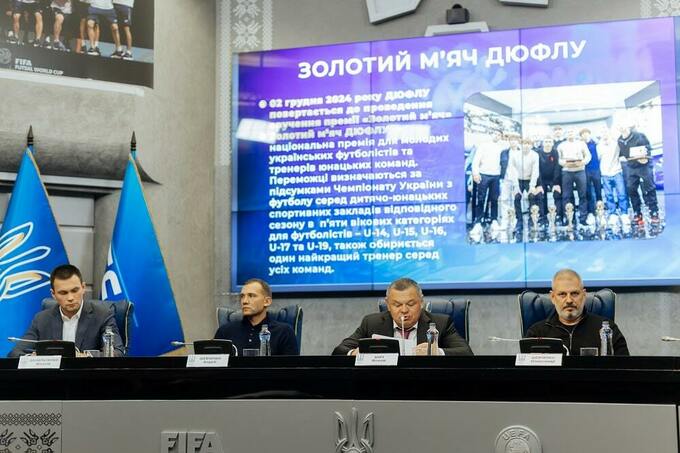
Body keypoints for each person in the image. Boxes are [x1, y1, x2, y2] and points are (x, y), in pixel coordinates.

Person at [332, 278, 473, 356]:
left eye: (411, 304)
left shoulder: (440, 323)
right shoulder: (372, 323)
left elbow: (466, 353)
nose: (404, 310)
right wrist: (354, 353)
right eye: (397, 305)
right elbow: (339, 351)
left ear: (421, 302)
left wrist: (437, 352)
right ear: (388, 304)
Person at [8, 264, 124, 357]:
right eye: (63, 293)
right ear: (53, 294)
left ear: (83, 288)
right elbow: (15, 353)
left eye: (75, 290)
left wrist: (85, 356)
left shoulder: (103, 315)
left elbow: (117, 353)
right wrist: (34, 358)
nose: (70, 298)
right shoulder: (42, 319)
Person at [525, 269, 629, 356]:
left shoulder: (607, 329)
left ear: (584, 295)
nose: (569, 300)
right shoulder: (536, 333)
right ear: (552, 297)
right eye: (562, 294)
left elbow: (625, 369)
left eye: (574, 293)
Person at [214, 278, 298, 355]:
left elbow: (292, 366)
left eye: (251, 296)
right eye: (242, 296)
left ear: (267, 301)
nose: (245, 301)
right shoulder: (225, 332)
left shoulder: (284, 332)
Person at [617, 124, 659, 225]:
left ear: (628, 127)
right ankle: (637, 212)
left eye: (624, 125)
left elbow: (648, 147)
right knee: (631, 189)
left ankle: (654, 212)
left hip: (644, 166)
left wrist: (645, 155)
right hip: (631, 167)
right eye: (620, 126)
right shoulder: (619, 140)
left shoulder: (640, 135)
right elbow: (621, 154)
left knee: (650, 188)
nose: (622, 127)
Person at [470, 129, 504, 231]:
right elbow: (476, 160)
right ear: (491, 134)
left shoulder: (501, 148)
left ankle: (494, 220)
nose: (496, 136)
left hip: (496, 176)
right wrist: (475, 173)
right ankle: (478, 222)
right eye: (495, 134)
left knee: (494, 199)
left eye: (499, 134)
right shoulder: (483, 146)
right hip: (483, 175)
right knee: (481, 199)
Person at [558, 129, 591, 225]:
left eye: (572, 132)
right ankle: (569, 218)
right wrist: (565, 164)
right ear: (566, 134)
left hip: (580, 171)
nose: (570, 134)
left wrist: (582, 162)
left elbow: (588, 156)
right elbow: (559, 159)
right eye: (568, 132)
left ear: (575, 134)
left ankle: (583, 218)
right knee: (566, 196)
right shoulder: (561, 145)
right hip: (567, 172)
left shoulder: (581, 144)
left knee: (583, 195)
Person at [581, 129, 602, 215]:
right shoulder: (580, 145)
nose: (585, 135)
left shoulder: (595, 143)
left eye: (586, 133)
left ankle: (600, 210)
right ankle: (591, 212)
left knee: (598, 190)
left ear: (589, 134)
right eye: (583, 134)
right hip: (585, 170)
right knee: (588, 192)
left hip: (596, 169)